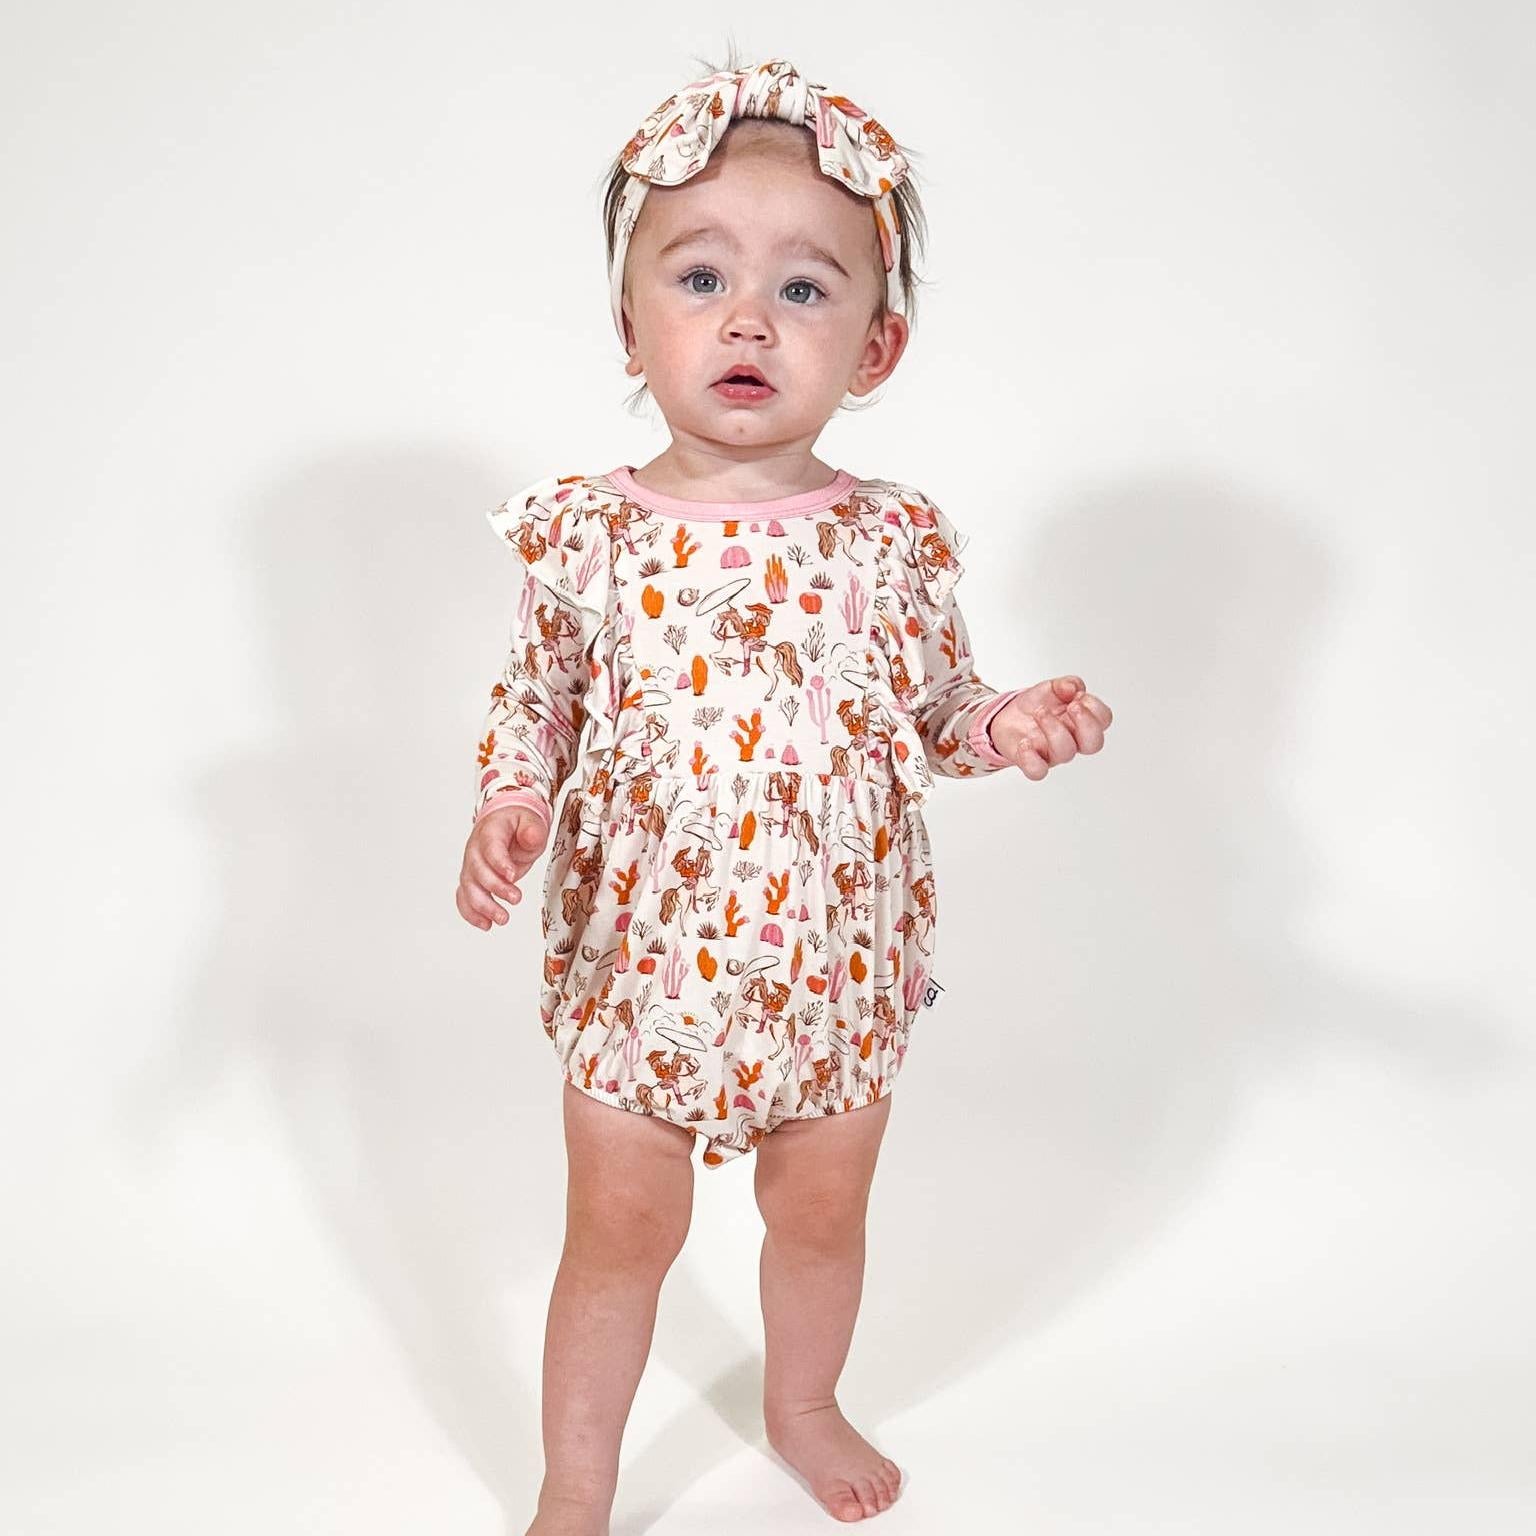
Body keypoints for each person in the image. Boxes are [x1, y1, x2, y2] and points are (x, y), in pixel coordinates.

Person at [455, 54, 1113, 1533]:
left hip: (836, 962)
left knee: (820, 1217)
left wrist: (1011, 719)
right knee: (617, 1232)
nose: (747, 317)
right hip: (644, 968)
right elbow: (535, 707)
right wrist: (509, 803)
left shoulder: (891, 543)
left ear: (876, 349)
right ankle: (577, 1483)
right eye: (698, 276)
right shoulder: (589, 535)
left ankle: (802, 1400)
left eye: (804, 291)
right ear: (630, 322)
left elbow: (936, 707)